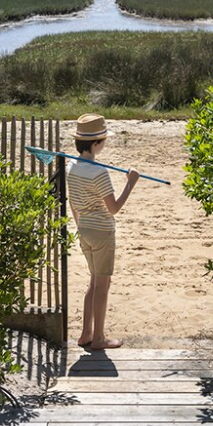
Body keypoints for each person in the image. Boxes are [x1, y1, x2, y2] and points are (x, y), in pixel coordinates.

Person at [66, 114, 140, 349]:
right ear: (96, 143)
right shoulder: (98, 172)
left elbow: (72, 202)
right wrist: (131, 182)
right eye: (103, 140)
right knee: (102, 284)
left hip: (84, 229)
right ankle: (98, 338)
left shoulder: (71, 166)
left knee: (93, 282)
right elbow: (114, 208)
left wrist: (80, 225)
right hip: (101, 231)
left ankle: (86, 333)